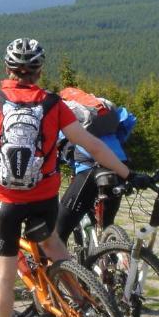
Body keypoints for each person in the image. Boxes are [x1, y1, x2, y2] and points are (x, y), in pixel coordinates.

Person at [0, 38, 148, 317]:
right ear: (39, 71)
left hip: (7, 200)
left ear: (8, 69)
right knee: (55, 247)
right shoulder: (54, 104)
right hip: (44, 198)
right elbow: (93, 146)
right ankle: (86, 305)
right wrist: (125, 173)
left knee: (3, 278)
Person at [54, 90, 137, 245]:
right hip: (119, 165)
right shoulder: (101, 110)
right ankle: (115, 257)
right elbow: (127, 121)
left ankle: (60, 267)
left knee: (58, 231)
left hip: (90, 168)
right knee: (107, 224)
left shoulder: (64, 114)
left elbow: (51, 145)